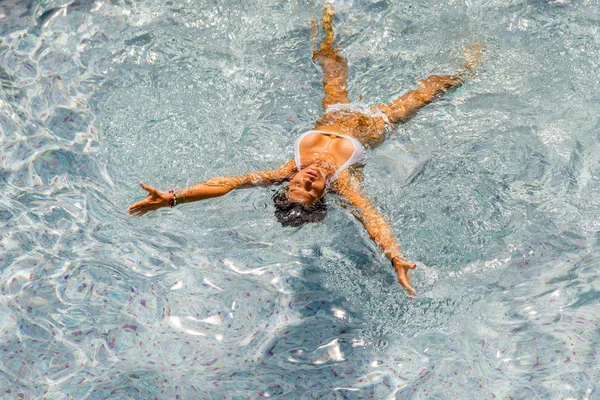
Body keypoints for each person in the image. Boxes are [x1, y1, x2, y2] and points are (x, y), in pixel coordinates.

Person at [128, 4, 482, 295]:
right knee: (435, 88)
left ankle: (321, 9)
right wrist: (394, 257)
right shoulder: (343, 185)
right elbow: (373, 220)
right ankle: (477, 54)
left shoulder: (286, 170)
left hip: (335, 109)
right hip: (380, 121)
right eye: (311, 189)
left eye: (298, 184)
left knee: (329, 60)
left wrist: (174, 198)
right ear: (321, 197)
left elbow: (228, 184)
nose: (308, 179)